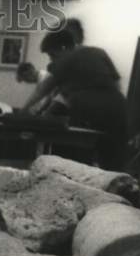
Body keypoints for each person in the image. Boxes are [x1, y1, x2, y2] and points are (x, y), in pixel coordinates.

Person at [33, 28, 128, 169]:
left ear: (64, 48)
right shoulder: (97, 52)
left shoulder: (69, 59)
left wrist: (25, 110)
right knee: (111, 163)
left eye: (53, 55)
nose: (52, 60)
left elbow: (45, 89)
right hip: (118, 110)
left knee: (72, 157)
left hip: (92, 113)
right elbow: (116, 84)